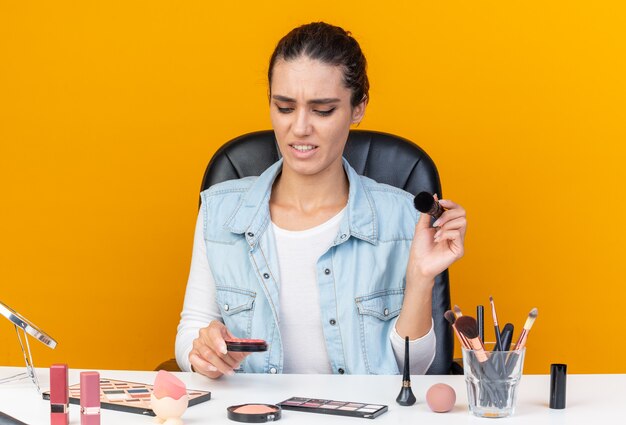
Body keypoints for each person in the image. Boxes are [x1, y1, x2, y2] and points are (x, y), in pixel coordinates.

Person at [175, 22, 467, 378]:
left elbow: (413, 370)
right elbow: (192, 329)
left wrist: (422, 277)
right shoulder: (220, 211)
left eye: (322, 110)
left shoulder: (403, 218)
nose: (299, 128)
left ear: (358, 107)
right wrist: (201, 351)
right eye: (284, 107)